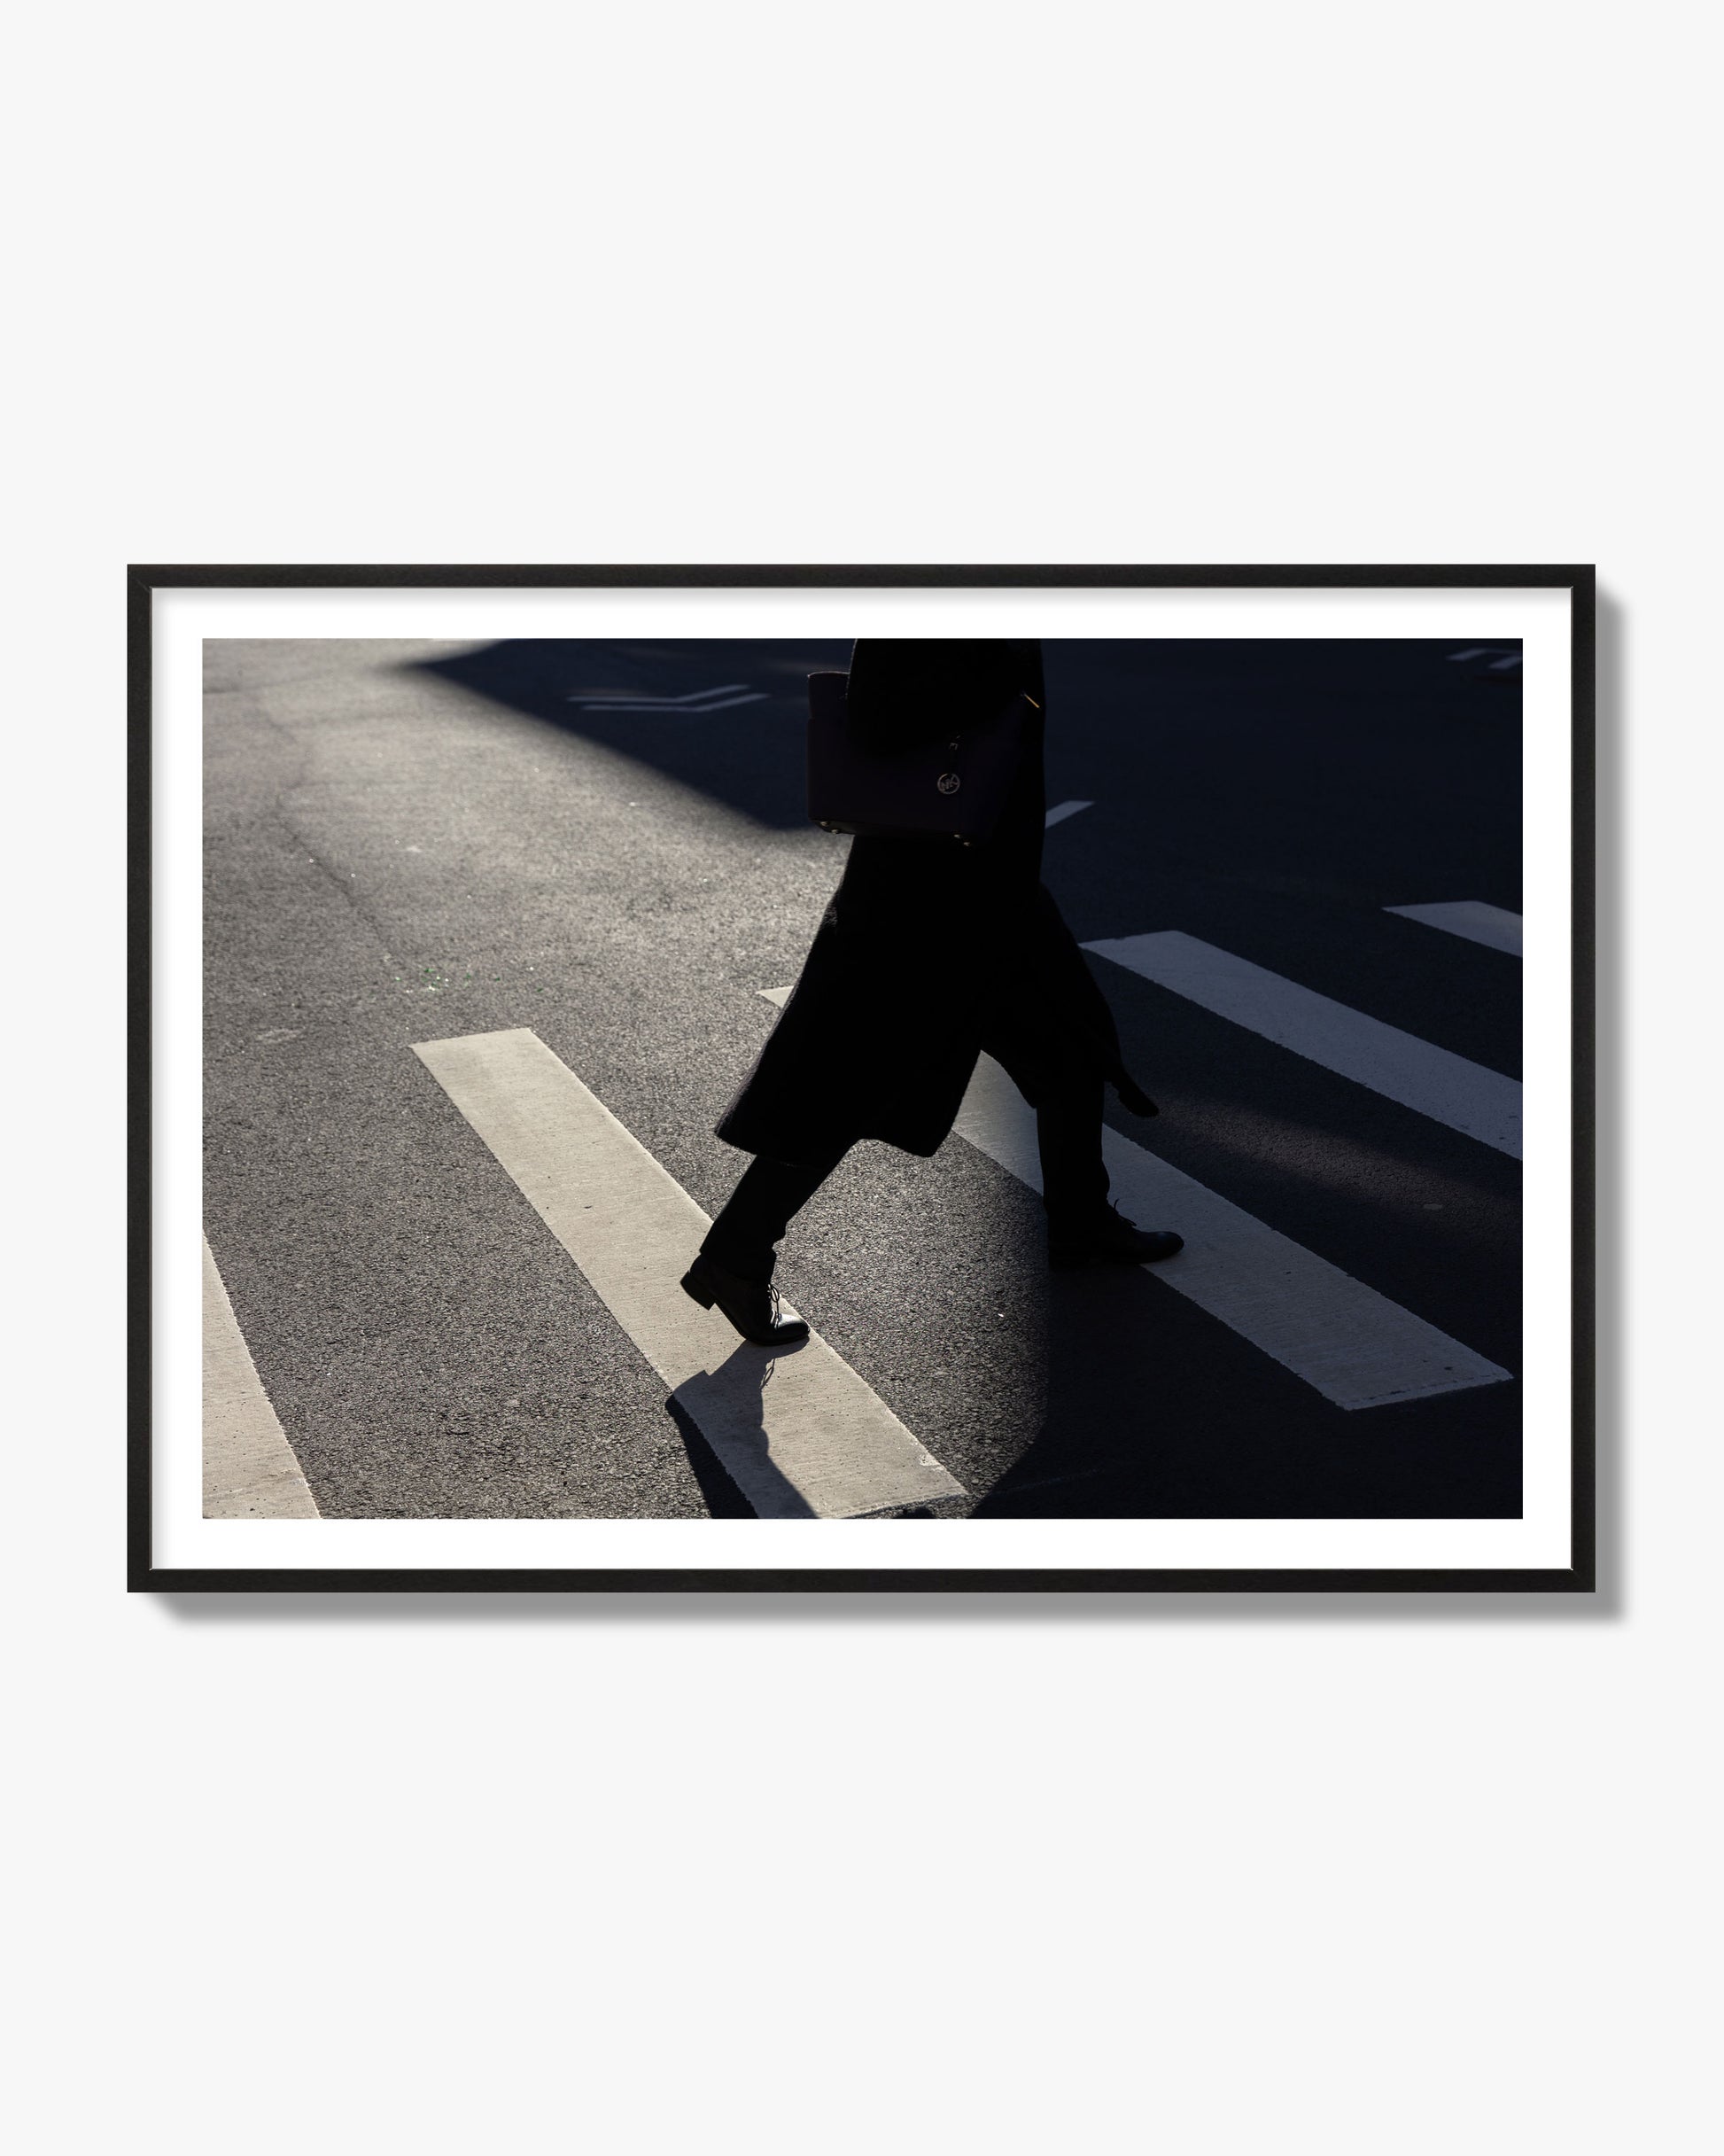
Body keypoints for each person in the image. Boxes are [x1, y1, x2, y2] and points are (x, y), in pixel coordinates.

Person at [680, 637, 1182, 1347]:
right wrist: (998, 668)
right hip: (930, 894)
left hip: (979, 880)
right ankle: (735, 1255)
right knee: (855, 1079)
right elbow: (881, 719)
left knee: (1069, 1044)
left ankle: (1083, 1220)